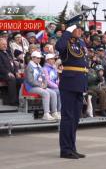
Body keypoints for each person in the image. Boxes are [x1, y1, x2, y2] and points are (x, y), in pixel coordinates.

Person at [55, 24, 88, 159]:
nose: (80, 31)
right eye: (77, 29)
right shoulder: (65, 41)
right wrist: (67, 33)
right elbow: (59, 47)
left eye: (81, 29)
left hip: (79, 83)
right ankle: (65, 149)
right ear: (71, 30)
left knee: (75, 118)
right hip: (69, 83)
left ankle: (72, 147)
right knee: (67, 117)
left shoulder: (79, 43)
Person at [24, 51, 59, 120]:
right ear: (33, 58)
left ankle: (54, 112)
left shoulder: (39, 66)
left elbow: (44, 78)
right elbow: (30, 81)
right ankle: (46, 113)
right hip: (31, 87)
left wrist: (45, 85)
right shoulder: (29, 67)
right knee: (45, 93)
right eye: (37, 58)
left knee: (53, 93)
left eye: (40, 58)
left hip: (40, 86)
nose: (39, 59)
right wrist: (41, 85)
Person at [0, 38, 22, 105]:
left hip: (12, 73)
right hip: (2, 74)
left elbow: (13, 64)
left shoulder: (8, 52)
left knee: (21, 80)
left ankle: (20, 100)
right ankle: (13, 101)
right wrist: (7, 72)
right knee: (12, 79)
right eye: (3, 44)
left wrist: (16, 72)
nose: (5, 46)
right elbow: (0, 66)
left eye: (6, 44)